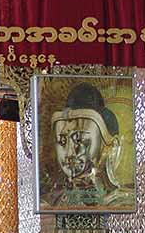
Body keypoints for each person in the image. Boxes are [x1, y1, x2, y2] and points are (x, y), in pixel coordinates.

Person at [43, 82, 135, 210]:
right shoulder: (55, 203)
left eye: (79, 140)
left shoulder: (122, 203)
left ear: (110, 145)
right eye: (62, 141)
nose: (69, 153)